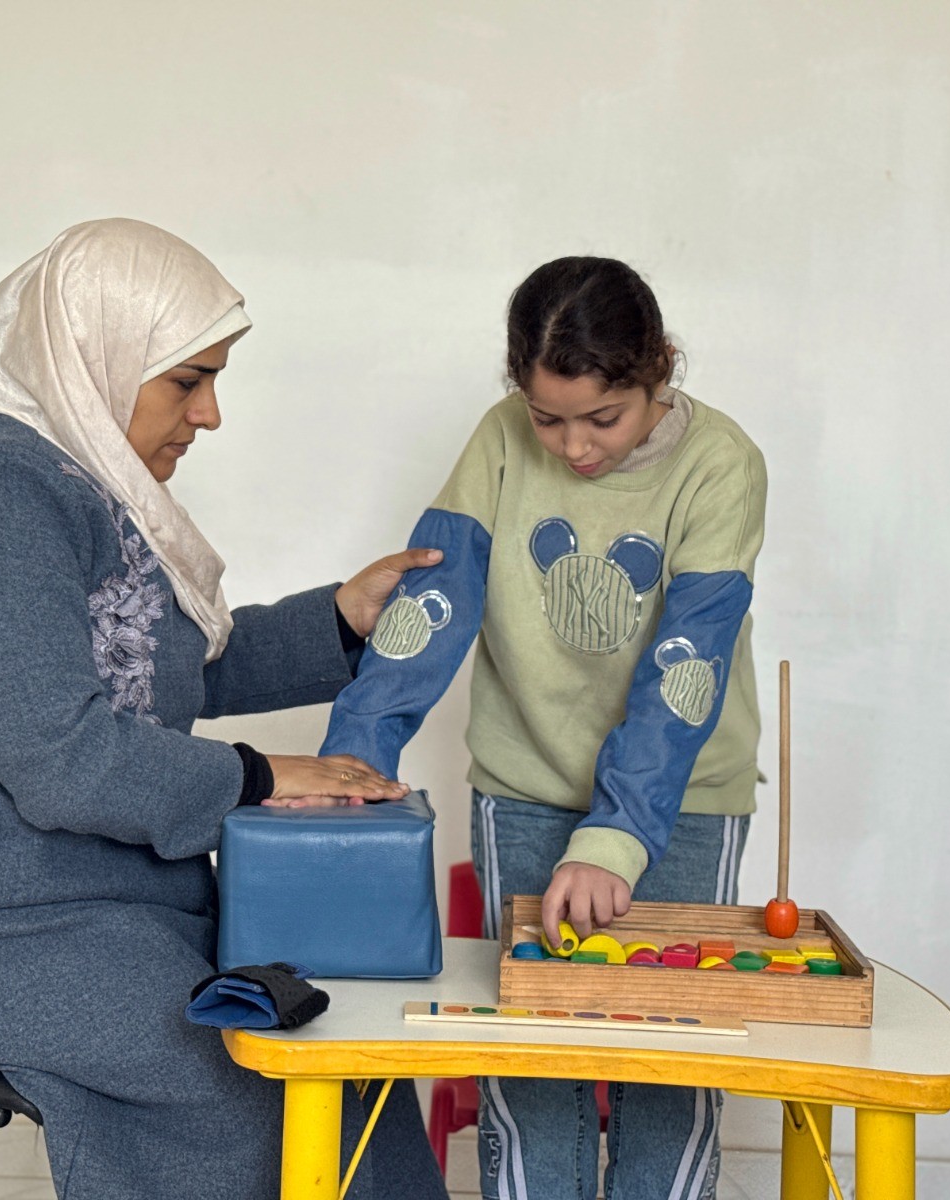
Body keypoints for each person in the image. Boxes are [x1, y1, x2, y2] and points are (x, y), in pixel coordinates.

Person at [0, 218, 449, 1200]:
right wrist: (259, 777)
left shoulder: (88, 493)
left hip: (68, 914)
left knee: (337, 1054)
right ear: (89, 360)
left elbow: (159, 674)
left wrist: (341, 620)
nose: (210, 413)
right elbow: (59, 753)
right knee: (239, 1069)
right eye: (187, 381)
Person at [319, 256, 767, 1200]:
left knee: (670, 1065)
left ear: (660, 367)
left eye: (603, 417)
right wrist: (357, 750)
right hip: (523, 787)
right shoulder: (497, 439)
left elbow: (685, 664)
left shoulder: (722, 463)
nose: (574, 447)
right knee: (528, 1056)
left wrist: (615, 840)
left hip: (682, 801)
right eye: (547, 418)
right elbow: (434, 599)